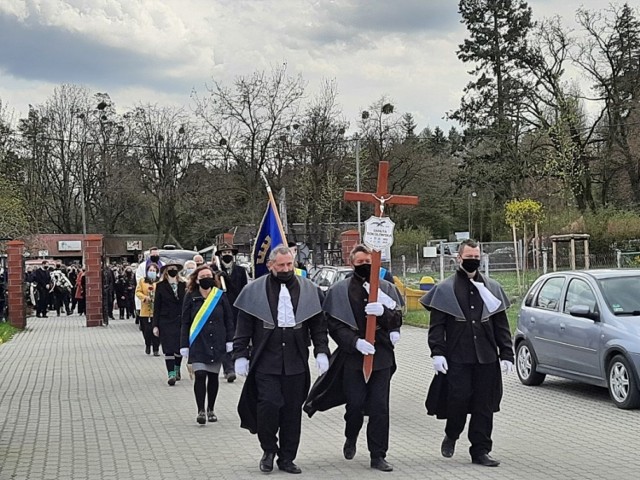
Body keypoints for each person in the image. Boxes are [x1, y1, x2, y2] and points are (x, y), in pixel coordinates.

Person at [304, 244, 403, 472]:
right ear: (352, 264)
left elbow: (397, 317)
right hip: (352, 358)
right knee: (356, 405)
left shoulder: (386, 288)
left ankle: (378, 454)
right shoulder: (340, 290)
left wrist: (385, 314)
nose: (365, 266)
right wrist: (354, 342)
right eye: (360, 263)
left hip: (381, 356)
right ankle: (351, 436)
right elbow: (334, 324)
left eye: (369, 262)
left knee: (379, 407)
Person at [233, 245, 329, 475]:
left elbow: (318, 325)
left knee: (292, 412)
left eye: (289, 264)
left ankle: (287, 457)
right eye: (281, 265)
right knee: (268, 406)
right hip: (266, 360)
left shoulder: (309, 289)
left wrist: (322, 351)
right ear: (270, 265)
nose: (286, 269)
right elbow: (243, 325)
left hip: (296, 360)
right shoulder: (254, 290)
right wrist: (239, 355)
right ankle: (268, 450)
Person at [420, 238, 514, 467]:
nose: (473, 261)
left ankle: (480, 450)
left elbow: (501, 325)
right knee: (458, 401)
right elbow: (437, 327)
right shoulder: (444, 289)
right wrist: (437, 353)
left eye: (476, 257)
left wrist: (507, 354)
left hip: (486, 357)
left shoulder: (492, 288)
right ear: (458, 258)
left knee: (484, 405)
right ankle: (452, 434)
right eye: (468, 257)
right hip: (457, 357)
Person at [180, 265, 234, 424]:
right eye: (203, 276)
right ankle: (200, 410)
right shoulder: (191, 296)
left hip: (217, 341)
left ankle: (211, 408)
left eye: (209, 276)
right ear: (197, 279)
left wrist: (230, 340)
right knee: (200, 375)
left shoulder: (220, 296)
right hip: (198, 342)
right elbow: (185, 321)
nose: (206, 279)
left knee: (213, 376)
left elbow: (229, 319)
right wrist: (184, 344)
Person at [216, 242, 249, 383]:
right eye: (224, 253)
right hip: (221, 309)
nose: (226, 255)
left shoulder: (240, 271)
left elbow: (241, 291)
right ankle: (228, 369)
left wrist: (227, 279)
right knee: (223, 338)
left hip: (236, 309)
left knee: (236, 338)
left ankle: (236, 363)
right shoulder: (215, 271)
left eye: (229, 252)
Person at [152, 261, 187, 385]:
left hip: (181, 320)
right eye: (170, 268)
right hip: (165, 321)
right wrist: (155, 325)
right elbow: (156, 306)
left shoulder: (184, 285)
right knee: (168, 348)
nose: (173, 270)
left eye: (175, 268)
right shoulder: (161, 286)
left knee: (179, 347)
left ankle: (177, 368)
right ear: (166, 271)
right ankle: (171, 373)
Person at [136, 262, 160, 356]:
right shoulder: (142, 281)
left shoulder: (159, 282)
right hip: (145, 310)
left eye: (154, 270)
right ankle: (147, 345)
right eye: (150, 270)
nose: (152, 272)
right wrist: (145, 297)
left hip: (156, 310)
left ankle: (156, 348)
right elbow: (138, 292)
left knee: (156, 329)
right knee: (147, 330)